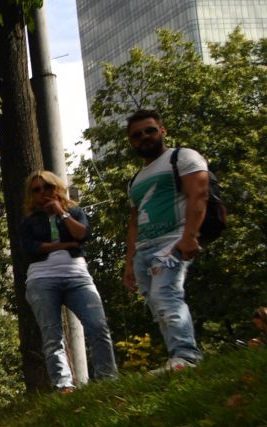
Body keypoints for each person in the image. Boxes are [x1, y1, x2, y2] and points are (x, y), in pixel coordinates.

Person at [121, 110, 207, 371]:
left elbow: (199, 194)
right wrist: (129, 262)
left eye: (150, 130)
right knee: (157, 305)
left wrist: (190, 236)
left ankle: (186, 357)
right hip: (144, 249)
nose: (144, 137)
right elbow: (134, 221)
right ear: (131, 142)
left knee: (166, 295)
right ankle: (177, 357)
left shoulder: (182, 157)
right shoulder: (136, 179)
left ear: (162, 131)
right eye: (137, 135)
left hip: (172, 241)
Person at [18, 170, 117, 392]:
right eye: (37, 190)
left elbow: (82, 235)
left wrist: (61, 213)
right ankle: (64, 386)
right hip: (42, 278)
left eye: (48, 187)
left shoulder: (74, 212)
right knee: (52, 335)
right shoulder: (28, 222)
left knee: (97, 326)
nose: (43, 193)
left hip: (77, 276)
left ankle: (107, 379)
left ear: (58, 188)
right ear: (31, 195)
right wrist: (66, 245)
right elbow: (31, 248)